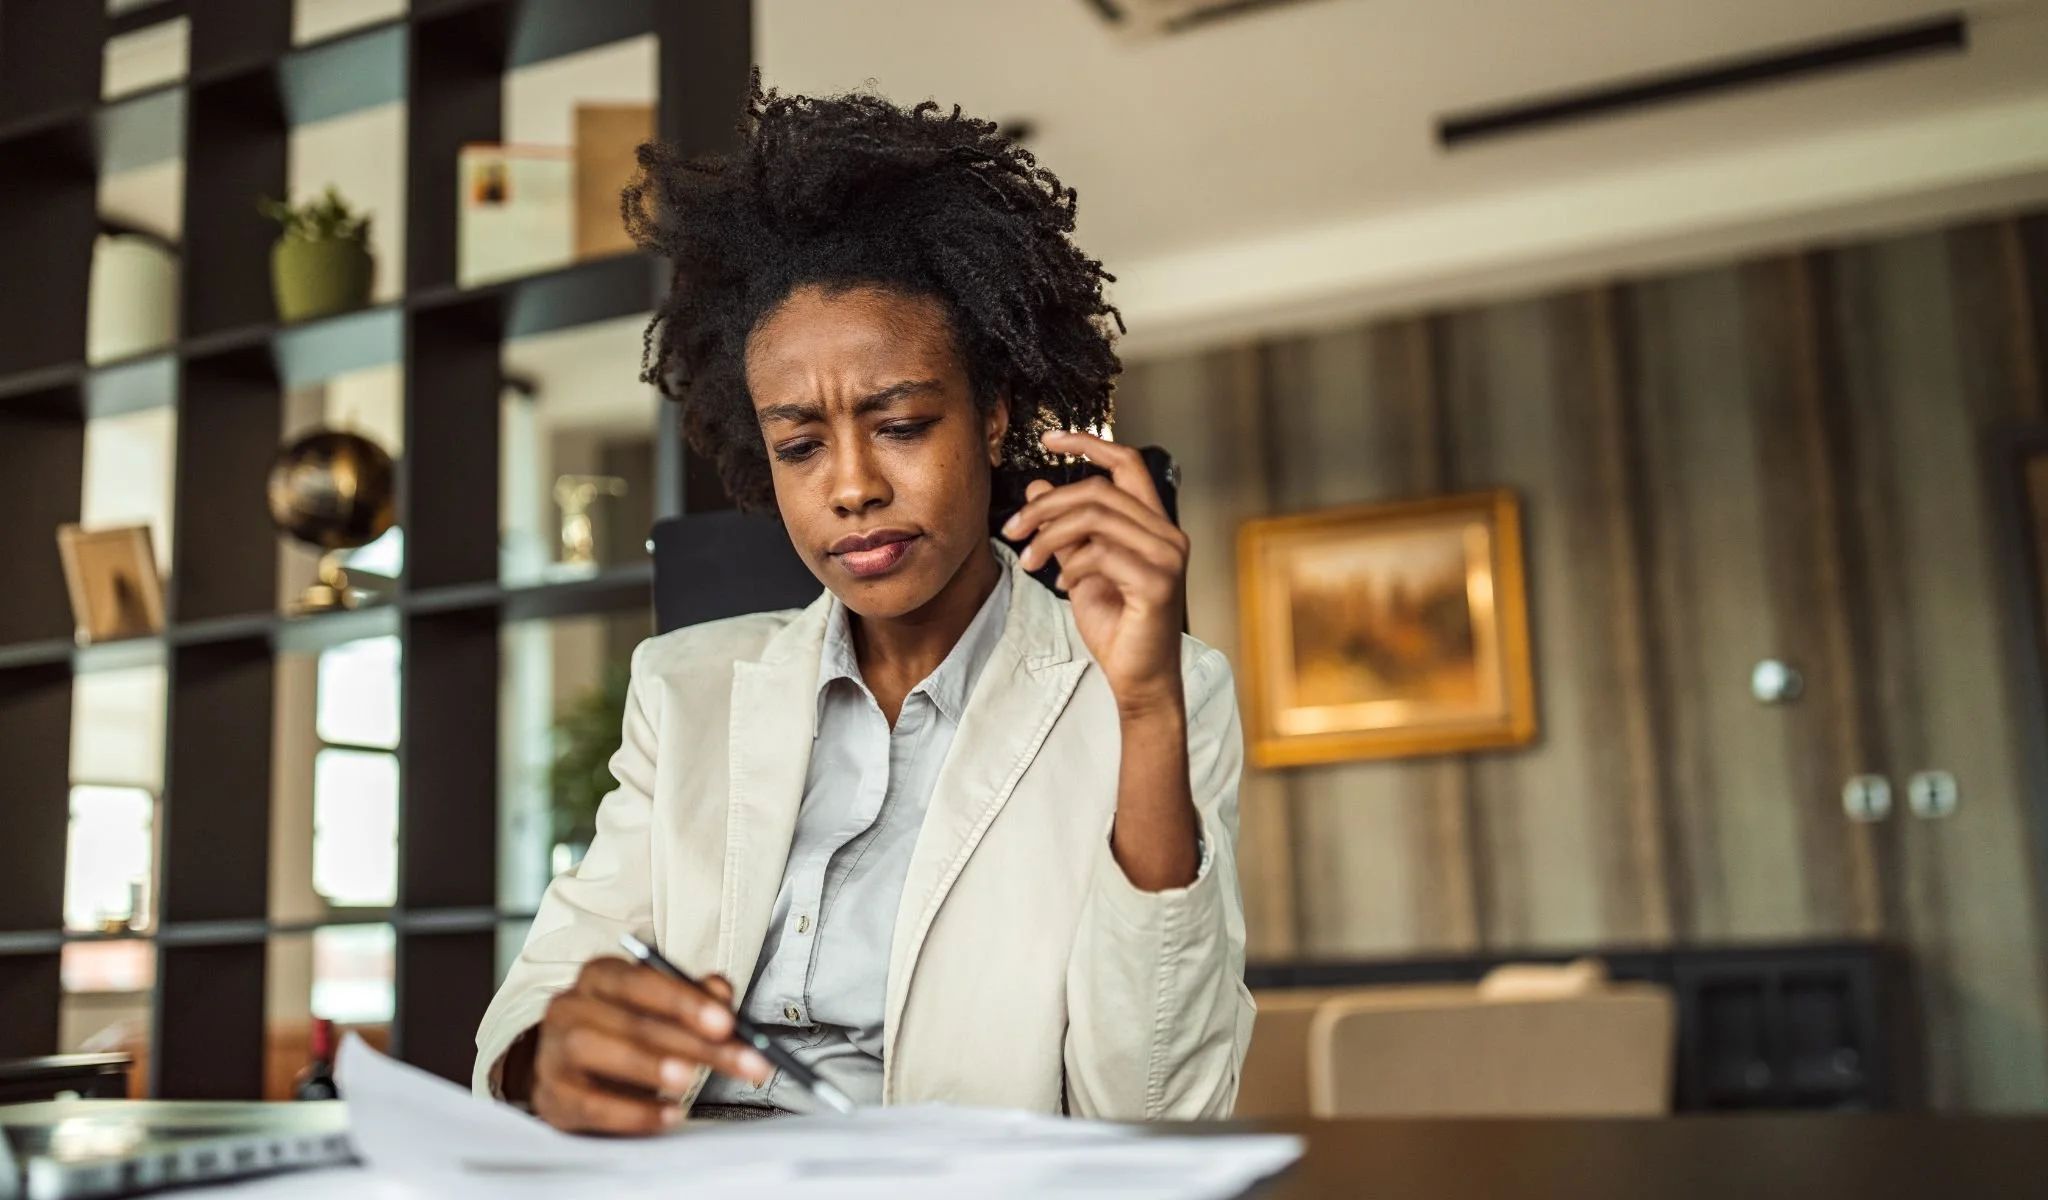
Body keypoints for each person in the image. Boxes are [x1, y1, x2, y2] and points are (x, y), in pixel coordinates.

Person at [474, 79, 1252, 1131]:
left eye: (901, 425)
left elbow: (1160, 1109)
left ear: (993, 419)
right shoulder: (686, 689)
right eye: (800, 445)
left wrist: (1146, 711)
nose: (850, 486)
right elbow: (536, 1004)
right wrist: (548, 1058)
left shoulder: (1160, 696)